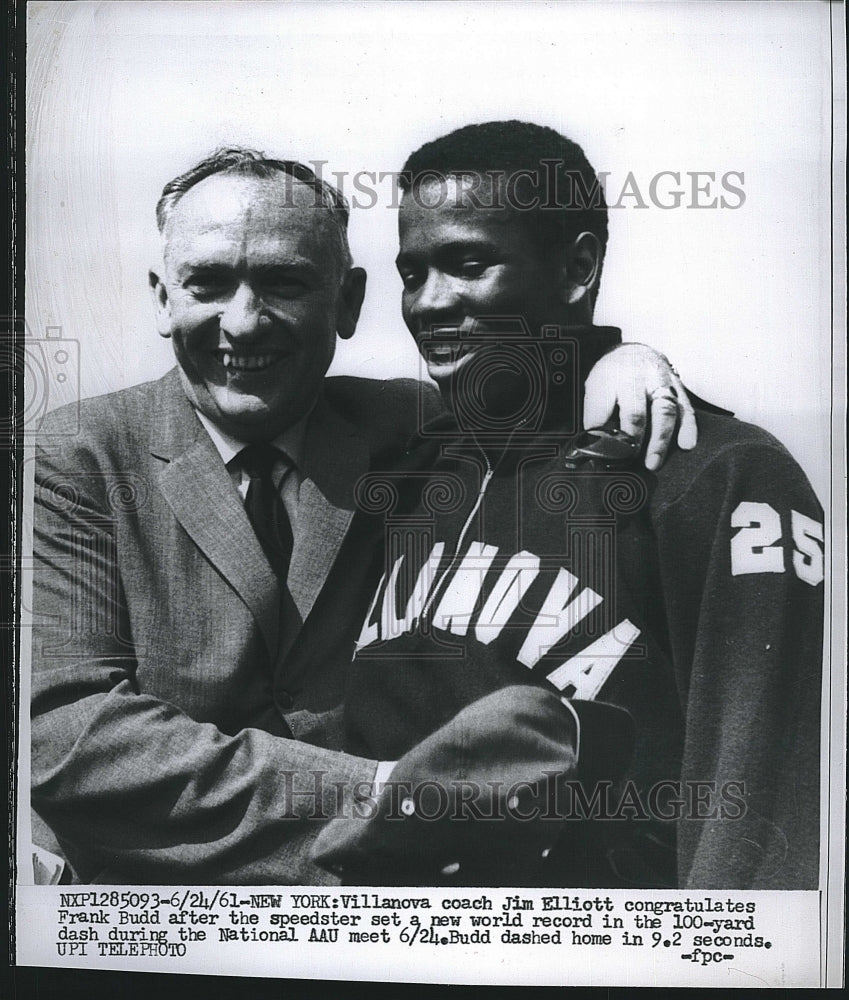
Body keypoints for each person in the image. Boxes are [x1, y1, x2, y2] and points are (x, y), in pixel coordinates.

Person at [29, 149, 691, 885]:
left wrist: (618, 361)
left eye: (285, 282)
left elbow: (531, 382)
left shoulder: (408, 425)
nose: (244, 323)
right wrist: (391, 797)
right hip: (169, 918)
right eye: (209, 282)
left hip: (383, 916)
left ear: (346, 302)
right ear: (162, 298)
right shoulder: (82, 453)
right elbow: (66, 735)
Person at [313, 120, 824, 890]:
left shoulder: (720, 471)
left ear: (577, 266)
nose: (429, 302)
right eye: (412, 273)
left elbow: (755, 805)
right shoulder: (403, 474)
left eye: (468, 263)